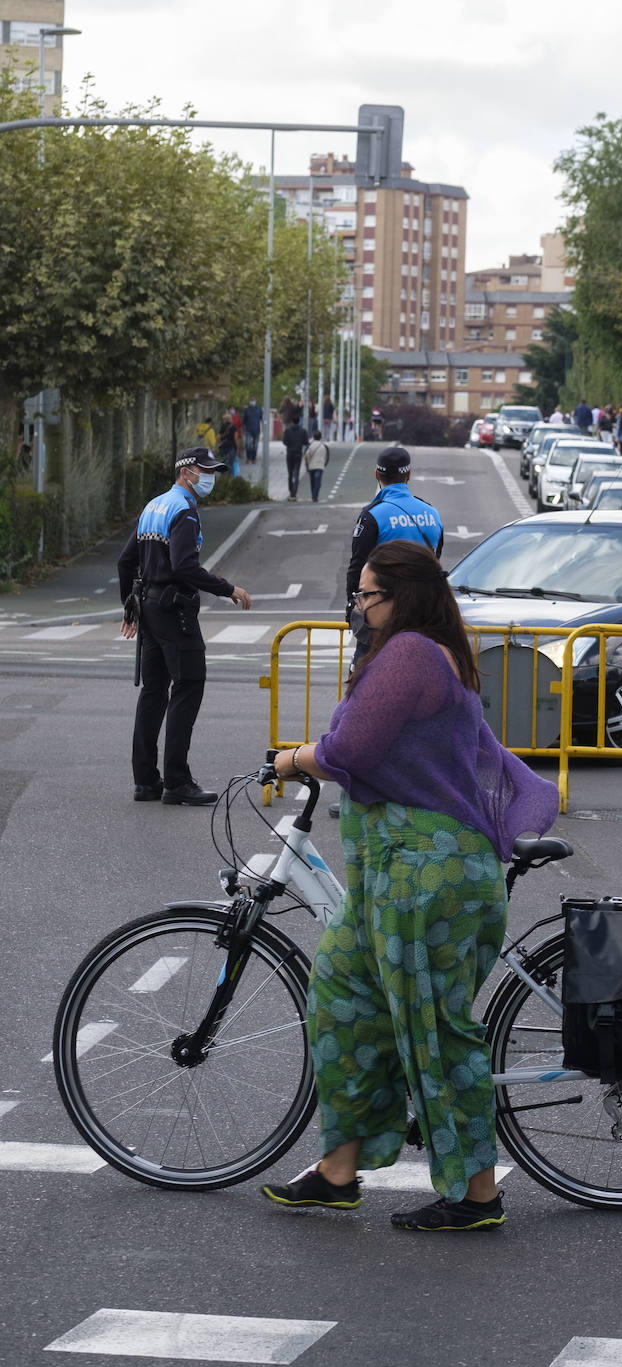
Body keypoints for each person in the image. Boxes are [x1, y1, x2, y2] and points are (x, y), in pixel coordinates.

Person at [260, 541, 560, 1231]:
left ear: (404, 597)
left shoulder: (413, 655)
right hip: (388, 877)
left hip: (423, 877)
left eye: (368, 596)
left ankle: (477, 1194)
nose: (360, 609)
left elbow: (350, 753)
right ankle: (340, 1171)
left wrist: (292, 757)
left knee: (434, 1030)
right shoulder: (426, 655)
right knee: (340, 997)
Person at [116, 448, 252, 805]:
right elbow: (184, 567)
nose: (210, 477)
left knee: (153, 692)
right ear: (187, 472)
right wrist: (227, 589)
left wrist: (130, 607)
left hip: (149, 608)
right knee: (188, 685)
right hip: (174, 610)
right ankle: (177, 781)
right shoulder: (184, 511)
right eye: (205, 470)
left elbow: (125, 561)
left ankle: (145, 781)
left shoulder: (154, 506)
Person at [346, 444, 444, 659]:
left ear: (376, 474)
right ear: (408, 475)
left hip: (381, 618)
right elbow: (435, 560)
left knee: (365, 682)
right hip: (424, 615)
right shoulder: (432, 513)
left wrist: (352, 608)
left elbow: (357, 567)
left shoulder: (372, 516)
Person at [281, 413, 309, 501]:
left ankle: (290, 491)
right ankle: (294, 493)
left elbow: (284, 441)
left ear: (292, 421)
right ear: (299, 421)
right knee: (296, 473)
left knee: (290, 473)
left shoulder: (287, 431)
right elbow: (306, 442)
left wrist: (290, 444)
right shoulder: (303, 431)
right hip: (298, 454)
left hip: (289, 454)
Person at [304, 429, 330, 503]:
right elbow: (327, 457)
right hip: (320, 466)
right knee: (317, 482)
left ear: (314, 437)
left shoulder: (310, 445)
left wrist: (307, 466)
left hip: (311, 466)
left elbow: (306, 456)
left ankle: (313, 495)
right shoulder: (324, 446)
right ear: (320, 437)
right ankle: (315, 496)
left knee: (312, 481)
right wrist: (324, 464)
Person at [242, 398, 262, 465]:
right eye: (251, 400)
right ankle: (248, 458)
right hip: (248, 430)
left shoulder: (259, 409)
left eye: (253, 400)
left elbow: (262, 419)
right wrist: (244, 428)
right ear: (250, 401)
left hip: (256, 430)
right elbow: (244, 420)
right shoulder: (246, 409)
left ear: (255, 401)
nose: (252, 402)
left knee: (255, 446)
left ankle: (254, 458)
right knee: (248, 445)